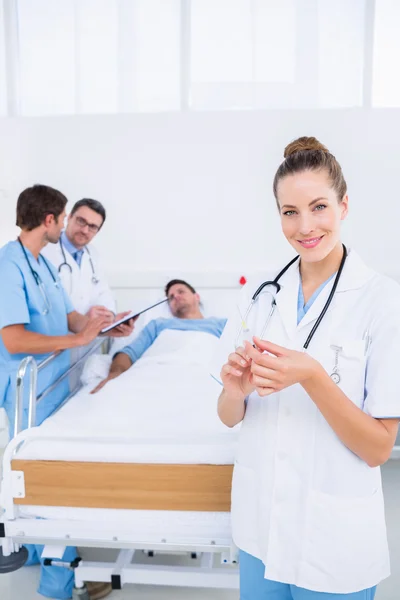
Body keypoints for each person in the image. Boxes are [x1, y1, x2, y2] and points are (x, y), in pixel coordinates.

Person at [211, 137, 400, 600]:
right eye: (290, 211)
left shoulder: (382, 301)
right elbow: (228, 415)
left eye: (319, 207)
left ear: (344, 205)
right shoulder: (258, 296)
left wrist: (313, 376)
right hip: (262, 529)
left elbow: (378, 448)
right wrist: (234, 390)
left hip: (332, 539)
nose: (305, 226)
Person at [0, 184, 134, 600]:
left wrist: (100, 328)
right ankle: (56, 587)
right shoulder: (8, 265)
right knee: (46, 483)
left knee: (47, 481)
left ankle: (47, 560)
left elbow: (70, 317)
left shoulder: (38, 262)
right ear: (50, 220)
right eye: (64, 218)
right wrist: (77, 342)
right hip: (28, 388)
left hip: (53, 381)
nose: (67, 227)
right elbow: (14, 340)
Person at [92, 279, 226, 393]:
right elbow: (128, 353)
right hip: (155, 374)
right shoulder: (158, 325)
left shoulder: (221, 324)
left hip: (201, 374)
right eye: (171, 297)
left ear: (196, 296)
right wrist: (115, 374)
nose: (176, 297)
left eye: (181, 291)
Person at [42, 198, 115, 320]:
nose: (85, 230)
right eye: (81, 221)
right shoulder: (45, 251)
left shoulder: (93, 254)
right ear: (69, 217)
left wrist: (110, 316)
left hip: (90, 334)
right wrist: (81, 321)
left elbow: (103, 293)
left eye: (92, 227)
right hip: (58, 336)